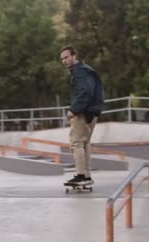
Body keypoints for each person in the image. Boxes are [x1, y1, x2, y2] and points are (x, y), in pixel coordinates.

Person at [59, 45, 104, 185]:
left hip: (83, 112)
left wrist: (74, 110)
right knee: (85, 144)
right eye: (62, 59)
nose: (64, 61)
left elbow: (85, 92)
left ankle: (81, 176)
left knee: (76, 143)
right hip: (93, 111)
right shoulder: (86, 69)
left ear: (74, 56)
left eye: (66, 57)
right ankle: (86, 175)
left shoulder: (79, 72)